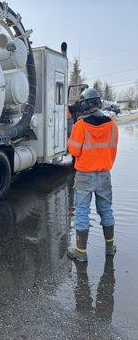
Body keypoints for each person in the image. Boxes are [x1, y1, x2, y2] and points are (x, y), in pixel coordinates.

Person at [67, 88, 119, 262]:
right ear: (98, 103)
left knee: (82, 211)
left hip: (84, 175)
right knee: (106, 209)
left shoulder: (80, 125)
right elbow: (112, 149)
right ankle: (110, 247)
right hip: (104, 174)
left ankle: (81, 252)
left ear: (85, 104)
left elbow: (73, 150)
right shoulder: (112, 124)